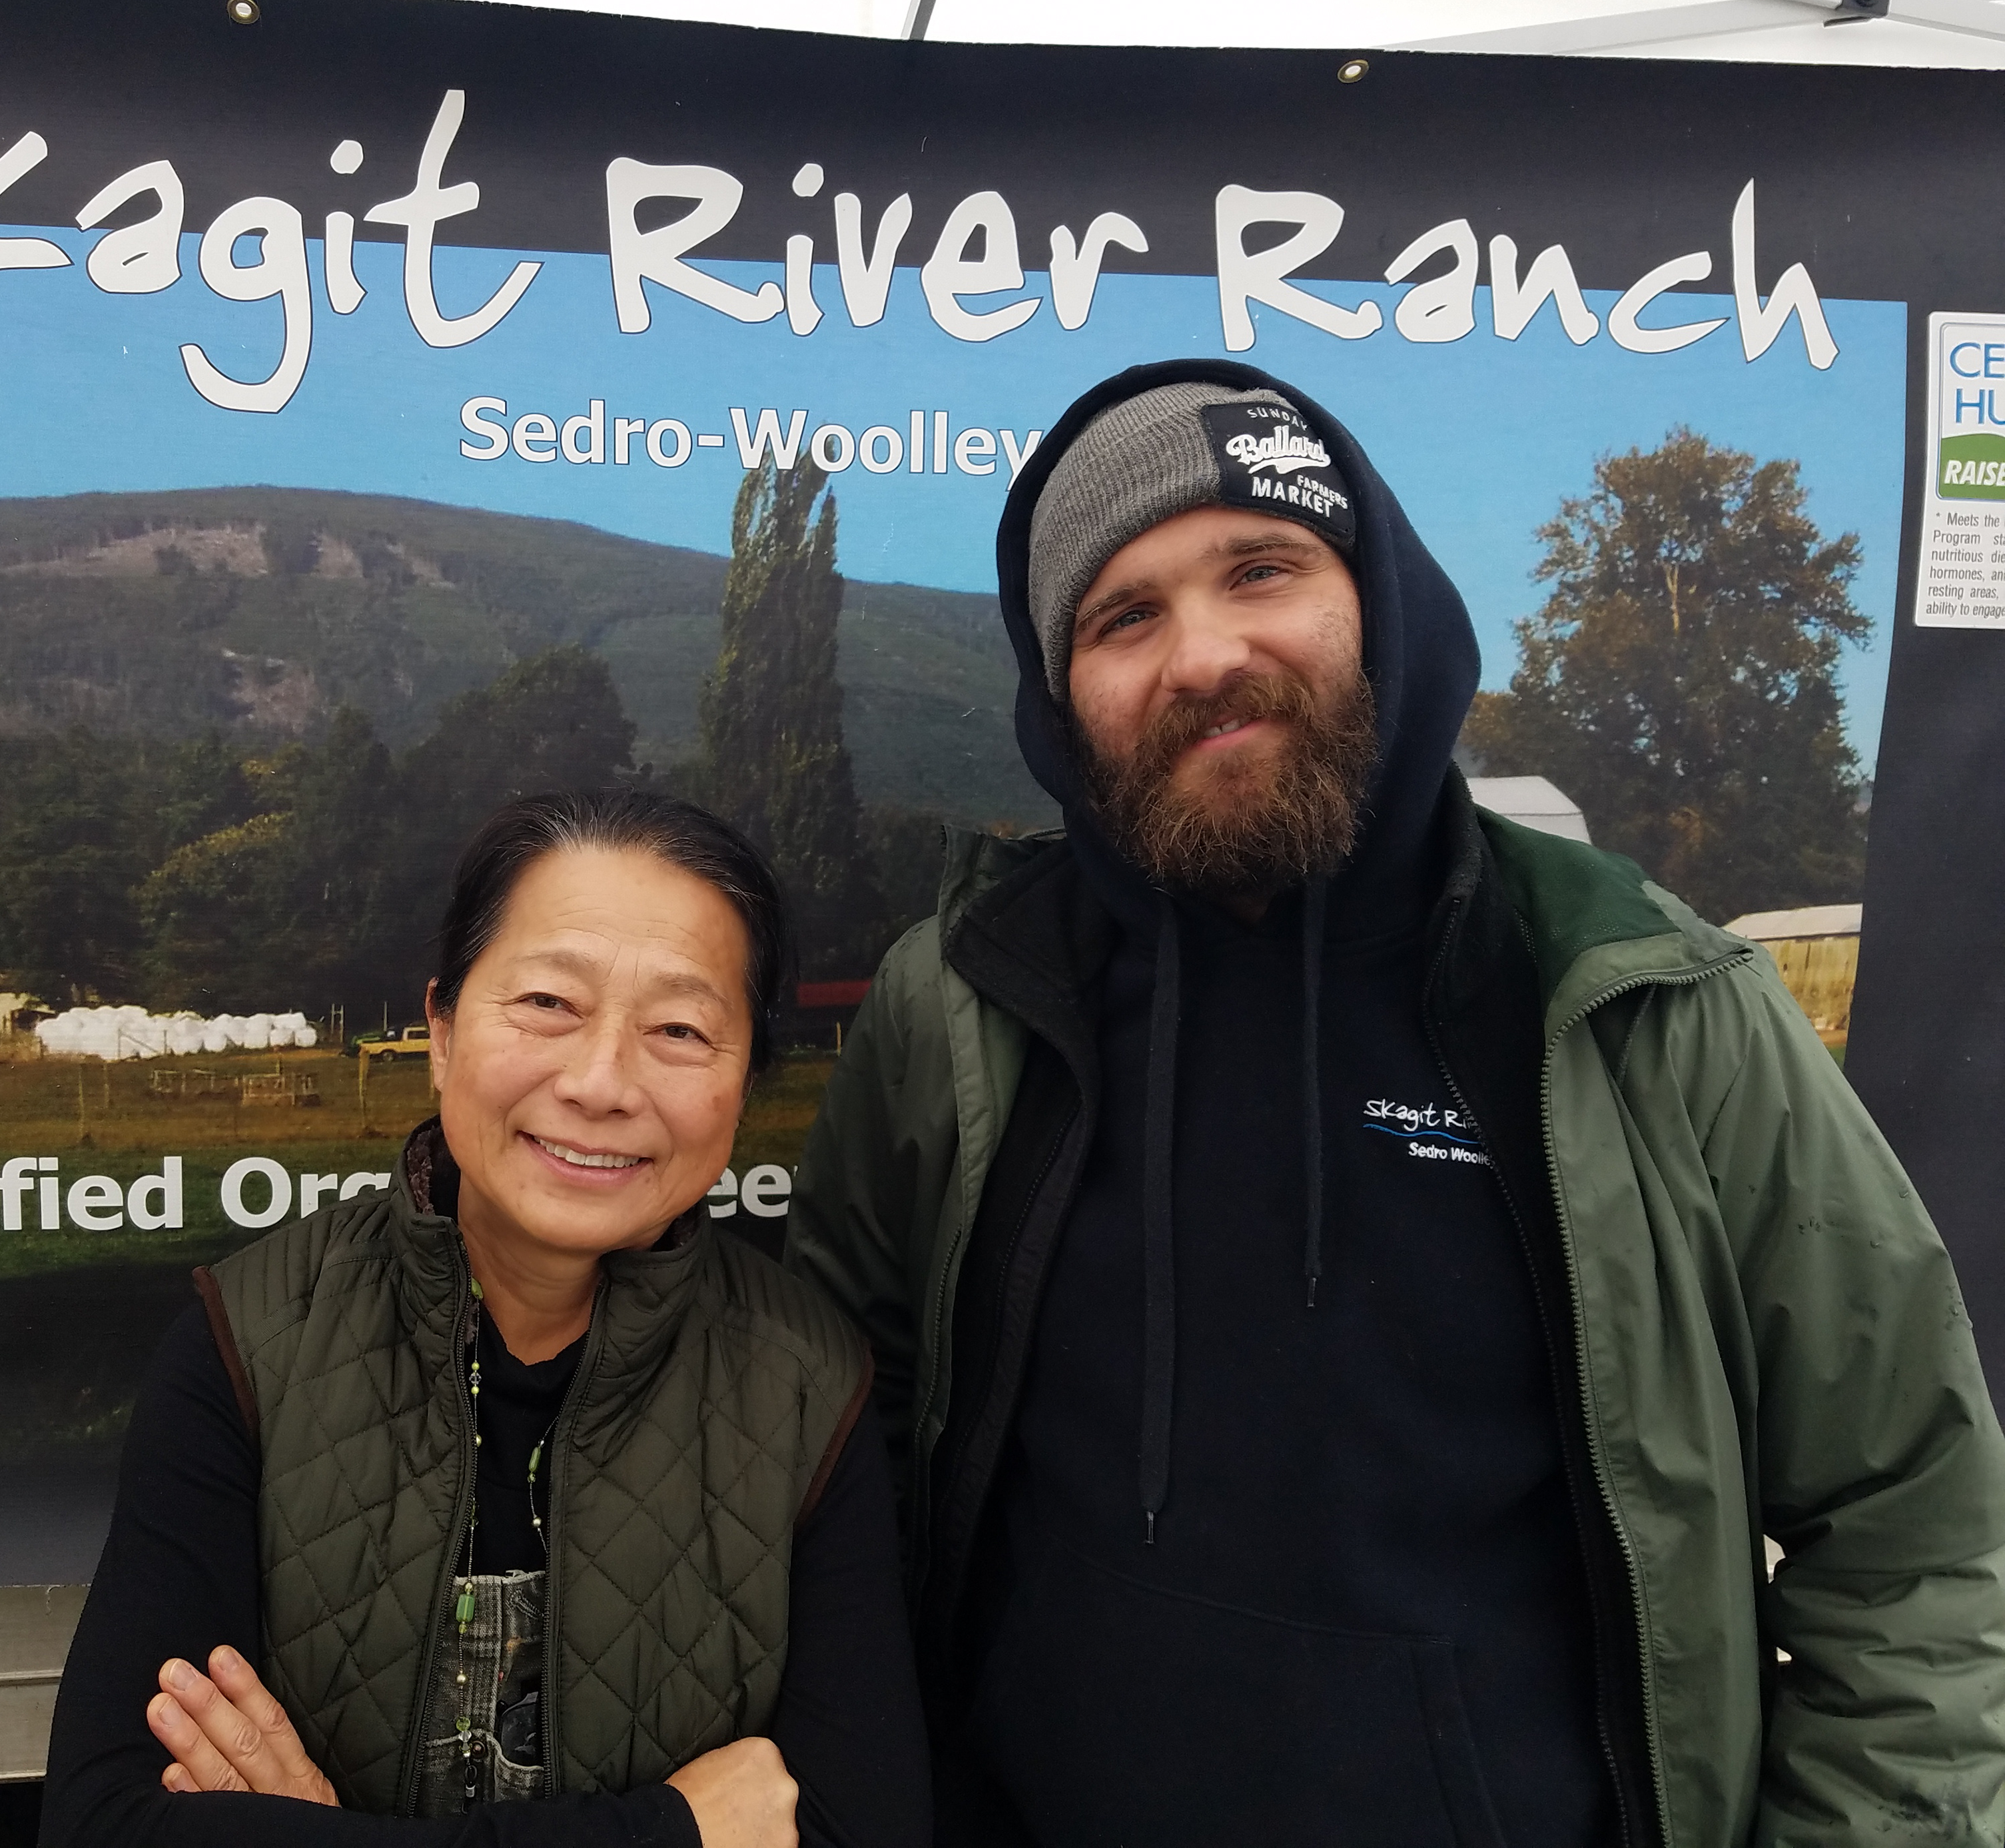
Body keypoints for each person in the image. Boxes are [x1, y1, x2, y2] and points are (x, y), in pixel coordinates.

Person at [786, 360, 2005, 1846]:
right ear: (1060, 698)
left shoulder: (1642, 999)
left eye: (1262, 569)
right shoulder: (963, 1004)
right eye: (1125, 616)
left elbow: (1913, 1530)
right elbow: (835, 1449)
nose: (1205, 653)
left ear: (1380, 598)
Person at [41, 789, 930, 1848]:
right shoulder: (252, 1341)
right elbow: (103, 1824)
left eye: (681, 1028)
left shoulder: (806, 1387)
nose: (602, 1082)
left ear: (744, 1087)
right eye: (550, 1003)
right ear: (443, 1032)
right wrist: (674, 1834)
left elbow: (859, 1827)